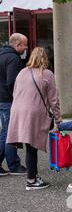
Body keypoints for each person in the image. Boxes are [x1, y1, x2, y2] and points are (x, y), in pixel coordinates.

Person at [7, 47, 62, 190]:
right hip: (34, 113)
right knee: (32, 147)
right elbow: (53, 100)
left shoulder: (22, 73)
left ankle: (33, 175)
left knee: (29, 147)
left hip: (18, 112)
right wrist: (58, 119)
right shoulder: (47, 74)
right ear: (46, 58)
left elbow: (15, 92)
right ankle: (31, 181)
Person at [0, 33, 28, 177]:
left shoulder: (2, 54)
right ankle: (14, 165)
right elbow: (13, 82)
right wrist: (18, 98)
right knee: (10, 133)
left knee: (5, 132)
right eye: (24, 45)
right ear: (17, 45)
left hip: (1, 99)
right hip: (8, 100)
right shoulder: (13, 58)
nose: (26, 48)